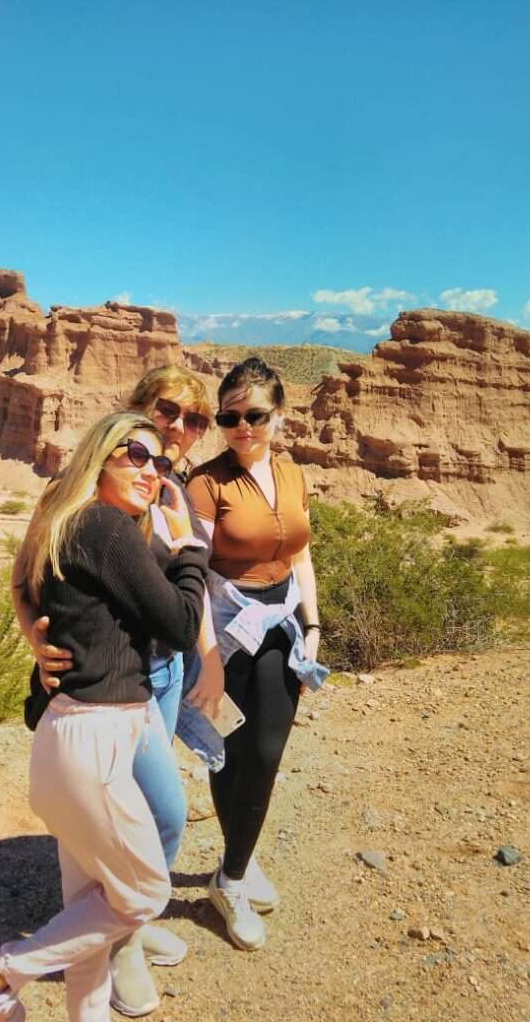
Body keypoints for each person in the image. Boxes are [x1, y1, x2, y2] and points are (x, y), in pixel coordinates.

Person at [0, 412, 208, 1022]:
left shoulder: (71, 524)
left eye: (161, 463)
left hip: (67, 743)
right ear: (100, 457)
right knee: (144, 893)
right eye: (136, 454)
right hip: (95, 746)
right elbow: (181, 626)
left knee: (89, 911)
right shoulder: (104, 526)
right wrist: (190, 547)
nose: (151, 471)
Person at [12, 365, 224, 1016]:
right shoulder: (84, 495)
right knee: (137, 815)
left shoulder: (166, 486)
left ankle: (116, 930)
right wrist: (35, 639)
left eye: (196, 420)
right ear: (136, 408)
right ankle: (122, 931)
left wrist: (208, 659)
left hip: (159, 674)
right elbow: (24, 577)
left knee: (140, 815)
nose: (180, 428)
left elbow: (184, 597)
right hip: (104, 686)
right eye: (168, 411)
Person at [187, 356, 327, 952]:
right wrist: (208, 659)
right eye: (229, 417)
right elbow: (193, 577)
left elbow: (300, 555)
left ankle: (232, 871)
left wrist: (312, 624)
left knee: (266, 753)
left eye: (255, 415)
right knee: (228, 753)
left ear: (279, 415)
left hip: (279, 626)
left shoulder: (293, 475)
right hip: (223, 632)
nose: (242, 427)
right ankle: (236, 871)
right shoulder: (206, 482)